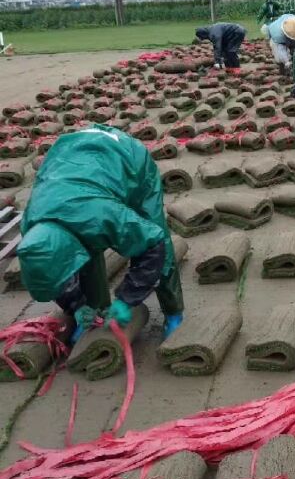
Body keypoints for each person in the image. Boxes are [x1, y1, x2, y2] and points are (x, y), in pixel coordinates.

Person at [17, 125, 185, 341]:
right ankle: (96, 310)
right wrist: (76, 305)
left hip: (129, 160)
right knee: (81, 251)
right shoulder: (31, 226)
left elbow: (154, 244)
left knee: (154, 234)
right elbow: (52, 276)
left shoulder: (103, 216)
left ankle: (173, 312)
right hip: (72, 156)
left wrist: (127, 299)